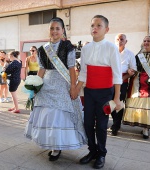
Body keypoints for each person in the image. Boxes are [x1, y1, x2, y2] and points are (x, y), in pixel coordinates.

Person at [25, 17, 87, 162]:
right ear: (49, 30)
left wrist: (73, 86)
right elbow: (41, 69)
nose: (54, 31)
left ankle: (58, 146)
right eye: (52, 28)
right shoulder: (42, 49)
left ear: (63, 30)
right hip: (47, 84)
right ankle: (52, 145)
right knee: (47, 114)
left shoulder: (68, 47)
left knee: (59, 115)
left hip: (62, 84)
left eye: (57, 28)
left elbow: (71, 68)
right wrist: (36, 85)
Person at [74, 15, 122, 169]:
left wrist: (117, 97)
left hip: (105, 93)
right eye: (92, 25)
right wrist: (76, 88)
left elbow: (117, 74)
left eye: (99, 25)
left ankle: (101, 153)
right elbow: (83, 72)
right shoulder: (86, 48)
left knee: (101, 125)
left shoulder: (111, 48)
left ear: (106, 29)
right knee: (87, 123)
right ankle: (92, 151)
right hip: (89, 91)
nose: (94, 28)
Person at [123, 35, 150, 139]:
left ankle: (146, 128)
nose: (146, 42)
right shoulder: (138, 56)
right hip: (137, 84)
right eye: (145, 41)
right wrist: (130, 71)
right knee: (140, 105)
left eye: (148, 41)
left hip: (148, 84)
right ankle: (143, 125)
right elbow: (132, 68)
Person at [110, 33, 137, 136]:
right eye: (117, 39)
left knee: (119, 103)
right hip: (109, 81)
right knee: (110, 102)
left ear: (126, 41)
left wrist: (124, 77)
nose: (119, 41)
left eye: (122, 39)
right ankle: (115, 122)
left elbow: (133, 69)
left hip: (123, 81)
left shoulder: (130, 54)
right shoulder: (111, 52)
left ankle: (115, 126)